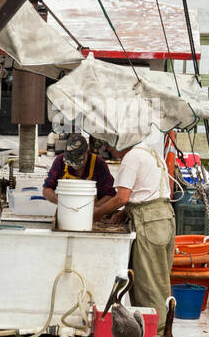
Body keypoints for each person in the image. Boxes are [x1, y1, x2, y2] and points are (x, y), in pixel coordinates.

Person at [96, 137, 175, 315]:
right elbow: (149, 192)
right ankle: (161, 328)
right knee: (160, 279)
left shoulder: (132, 157)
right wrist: (125, 212)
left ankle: (155, 335)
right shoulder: (150, 152)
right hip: (164, 219)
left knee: (148, 284)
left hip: (150, 224)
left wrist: (95, 214)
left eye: (111, 147)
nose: (111, 152)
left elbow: (122, 197)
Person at [42, 133, 117, 219]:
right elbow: (46, 189)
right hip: (67, 214)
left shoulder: (99, 164)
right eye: (71, 162)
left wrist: (93, 209)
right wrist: (61, 201)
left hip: (94, 216)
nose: (74, 166)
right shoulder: (60, 161)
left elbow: (110, 194)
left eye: (78, 161)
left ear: (87, 152)